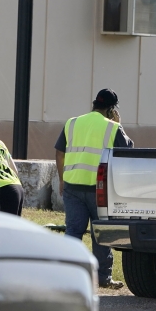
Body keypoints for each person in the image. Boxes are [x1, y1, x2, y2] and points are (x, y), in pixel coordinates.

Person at [55, 88, 133, 291]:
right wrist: (119, 125)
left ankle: (67, 275)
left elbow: (60, 152)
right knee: (101, 234)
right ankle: (103, 278)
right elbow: (128, 152)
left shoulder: (72, 122)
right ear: (110, 109)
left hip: (72, 186)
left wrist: (62, 178)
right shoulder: (112, 127)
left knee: (73, 231)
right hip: (99, 190)